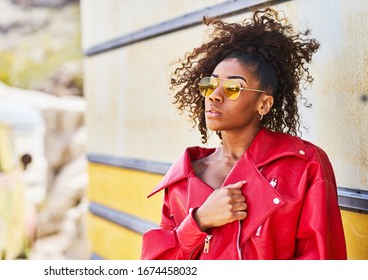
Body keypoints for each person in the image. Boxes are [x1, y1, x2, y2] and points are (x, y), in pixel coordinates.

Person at [141, 8, 347, 260]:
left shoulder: (304, 165)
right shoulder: (184, 179)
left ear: (264, 104)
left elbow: (322, 260)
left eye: (232, 87)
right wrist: (199, 220)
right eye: (211, 84)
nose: (215, 95)